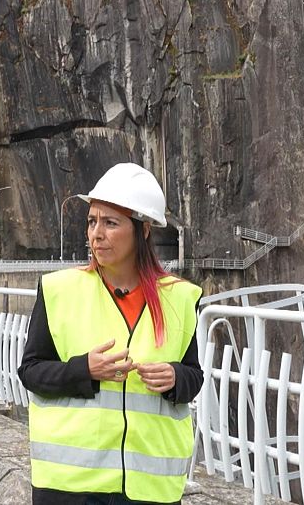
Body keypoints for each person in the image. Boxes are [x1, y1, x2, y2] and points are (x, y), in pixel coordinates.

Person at [18, 162, 204, 504]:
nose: (96, 234)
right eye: (92, 222)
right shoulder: (60, 290)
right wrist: (83, 370)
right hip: (71, 486)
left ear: (142, 230)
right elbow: (30, 371)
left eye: (110, 223)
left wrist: (175, 377)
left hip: (149, 489)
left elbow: (195, 376)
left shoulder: (178, 298)